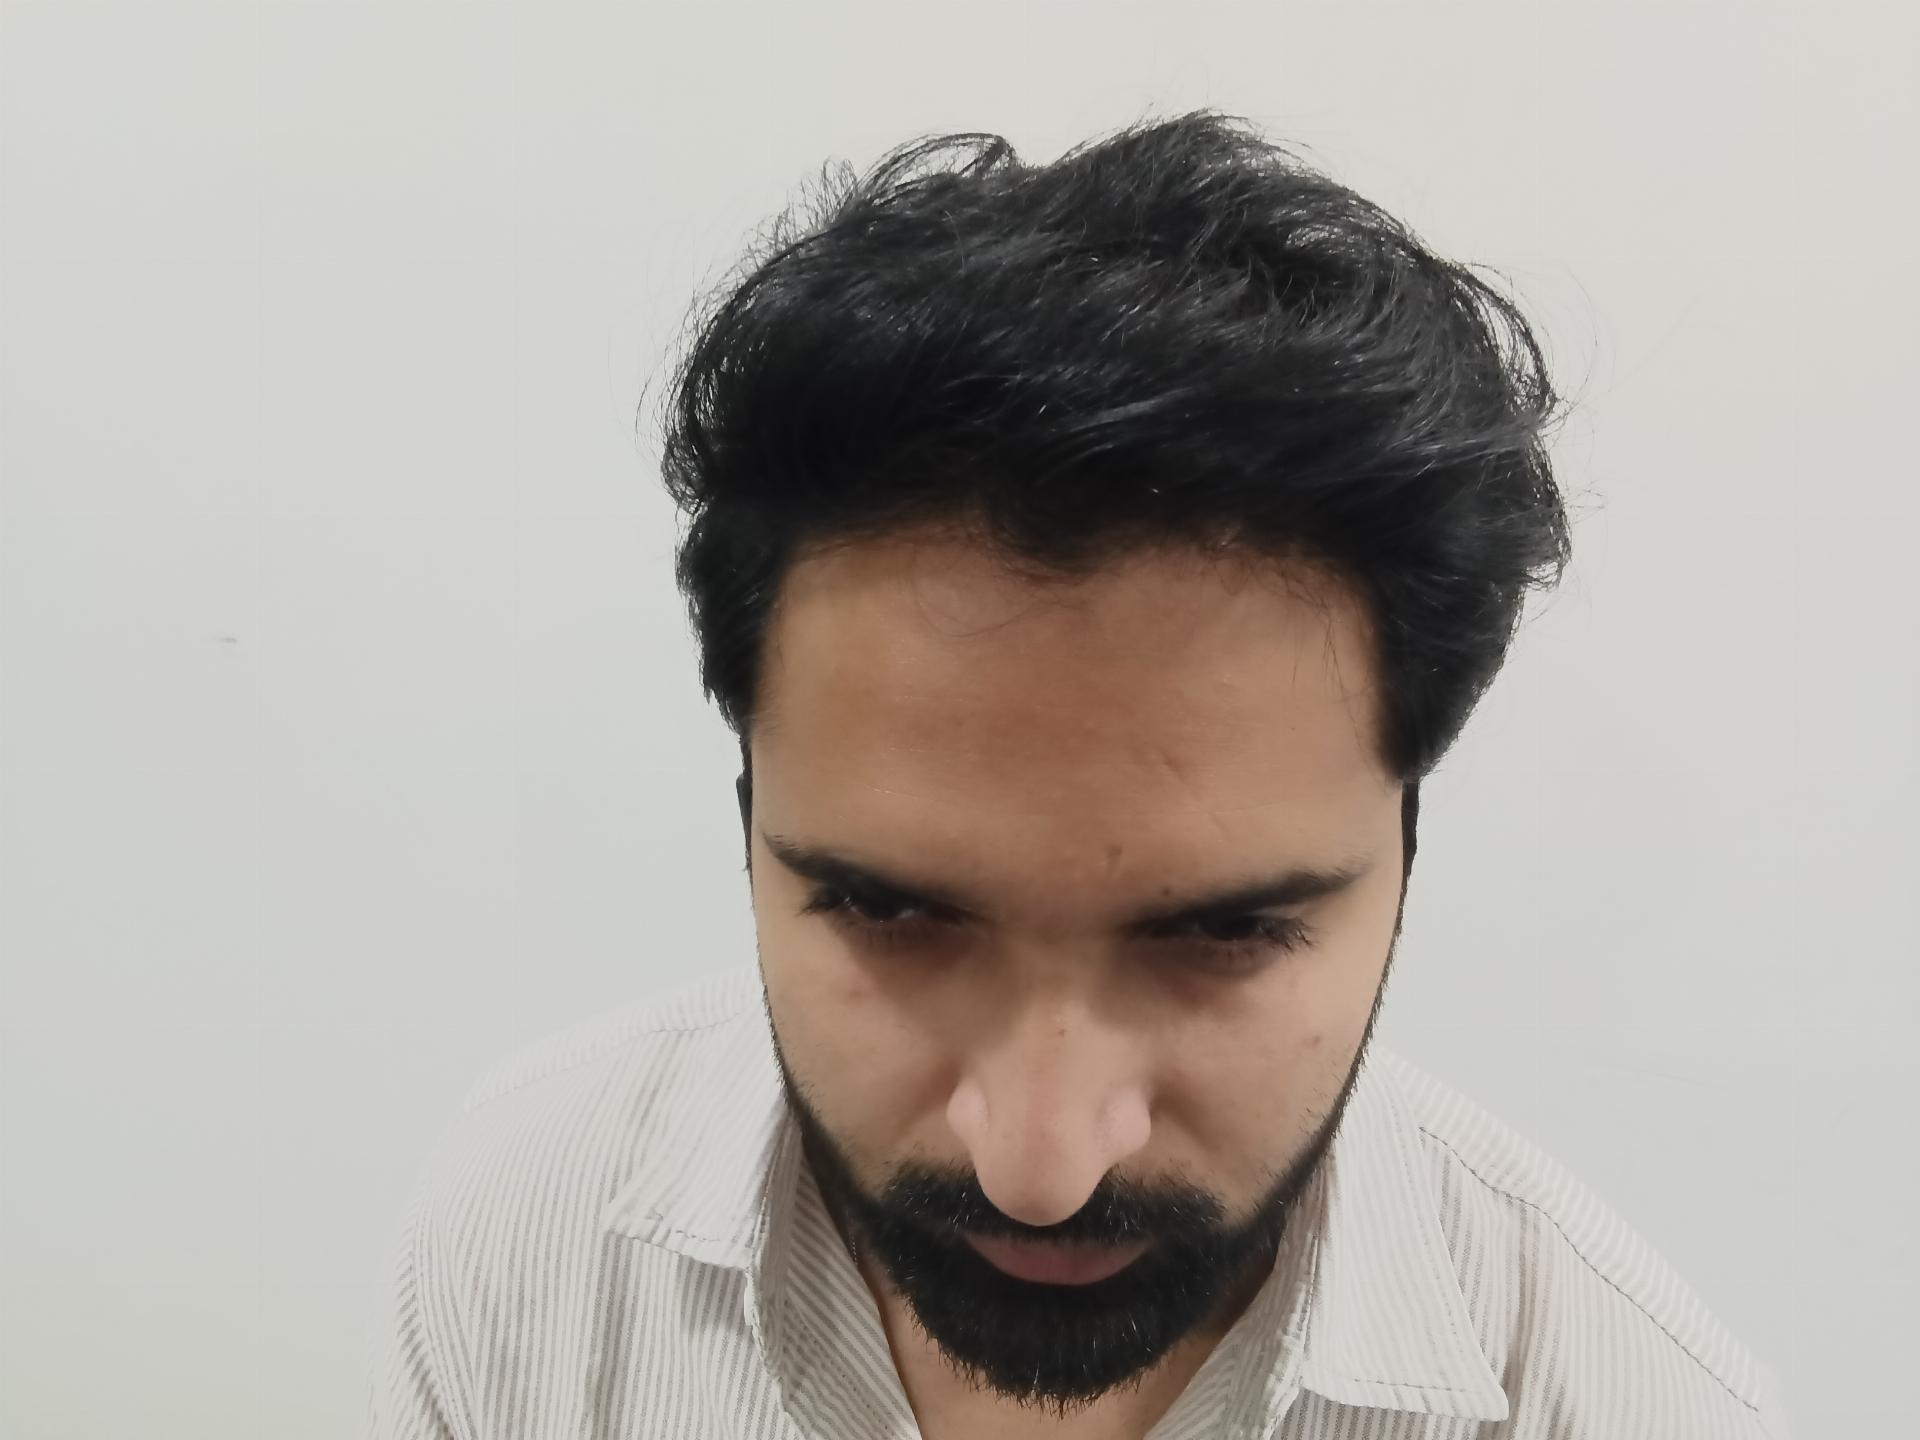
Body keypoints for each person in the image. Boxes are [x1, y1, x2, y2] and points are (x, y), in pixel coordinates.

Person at [367, 110, 1791, 1439]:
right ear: (749, 827)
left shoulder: (1630, 1404)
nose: (1039, 1169)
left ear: (1406, 853)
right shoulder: (533, 1240)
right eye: (887, 912)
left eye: (1225, 933)